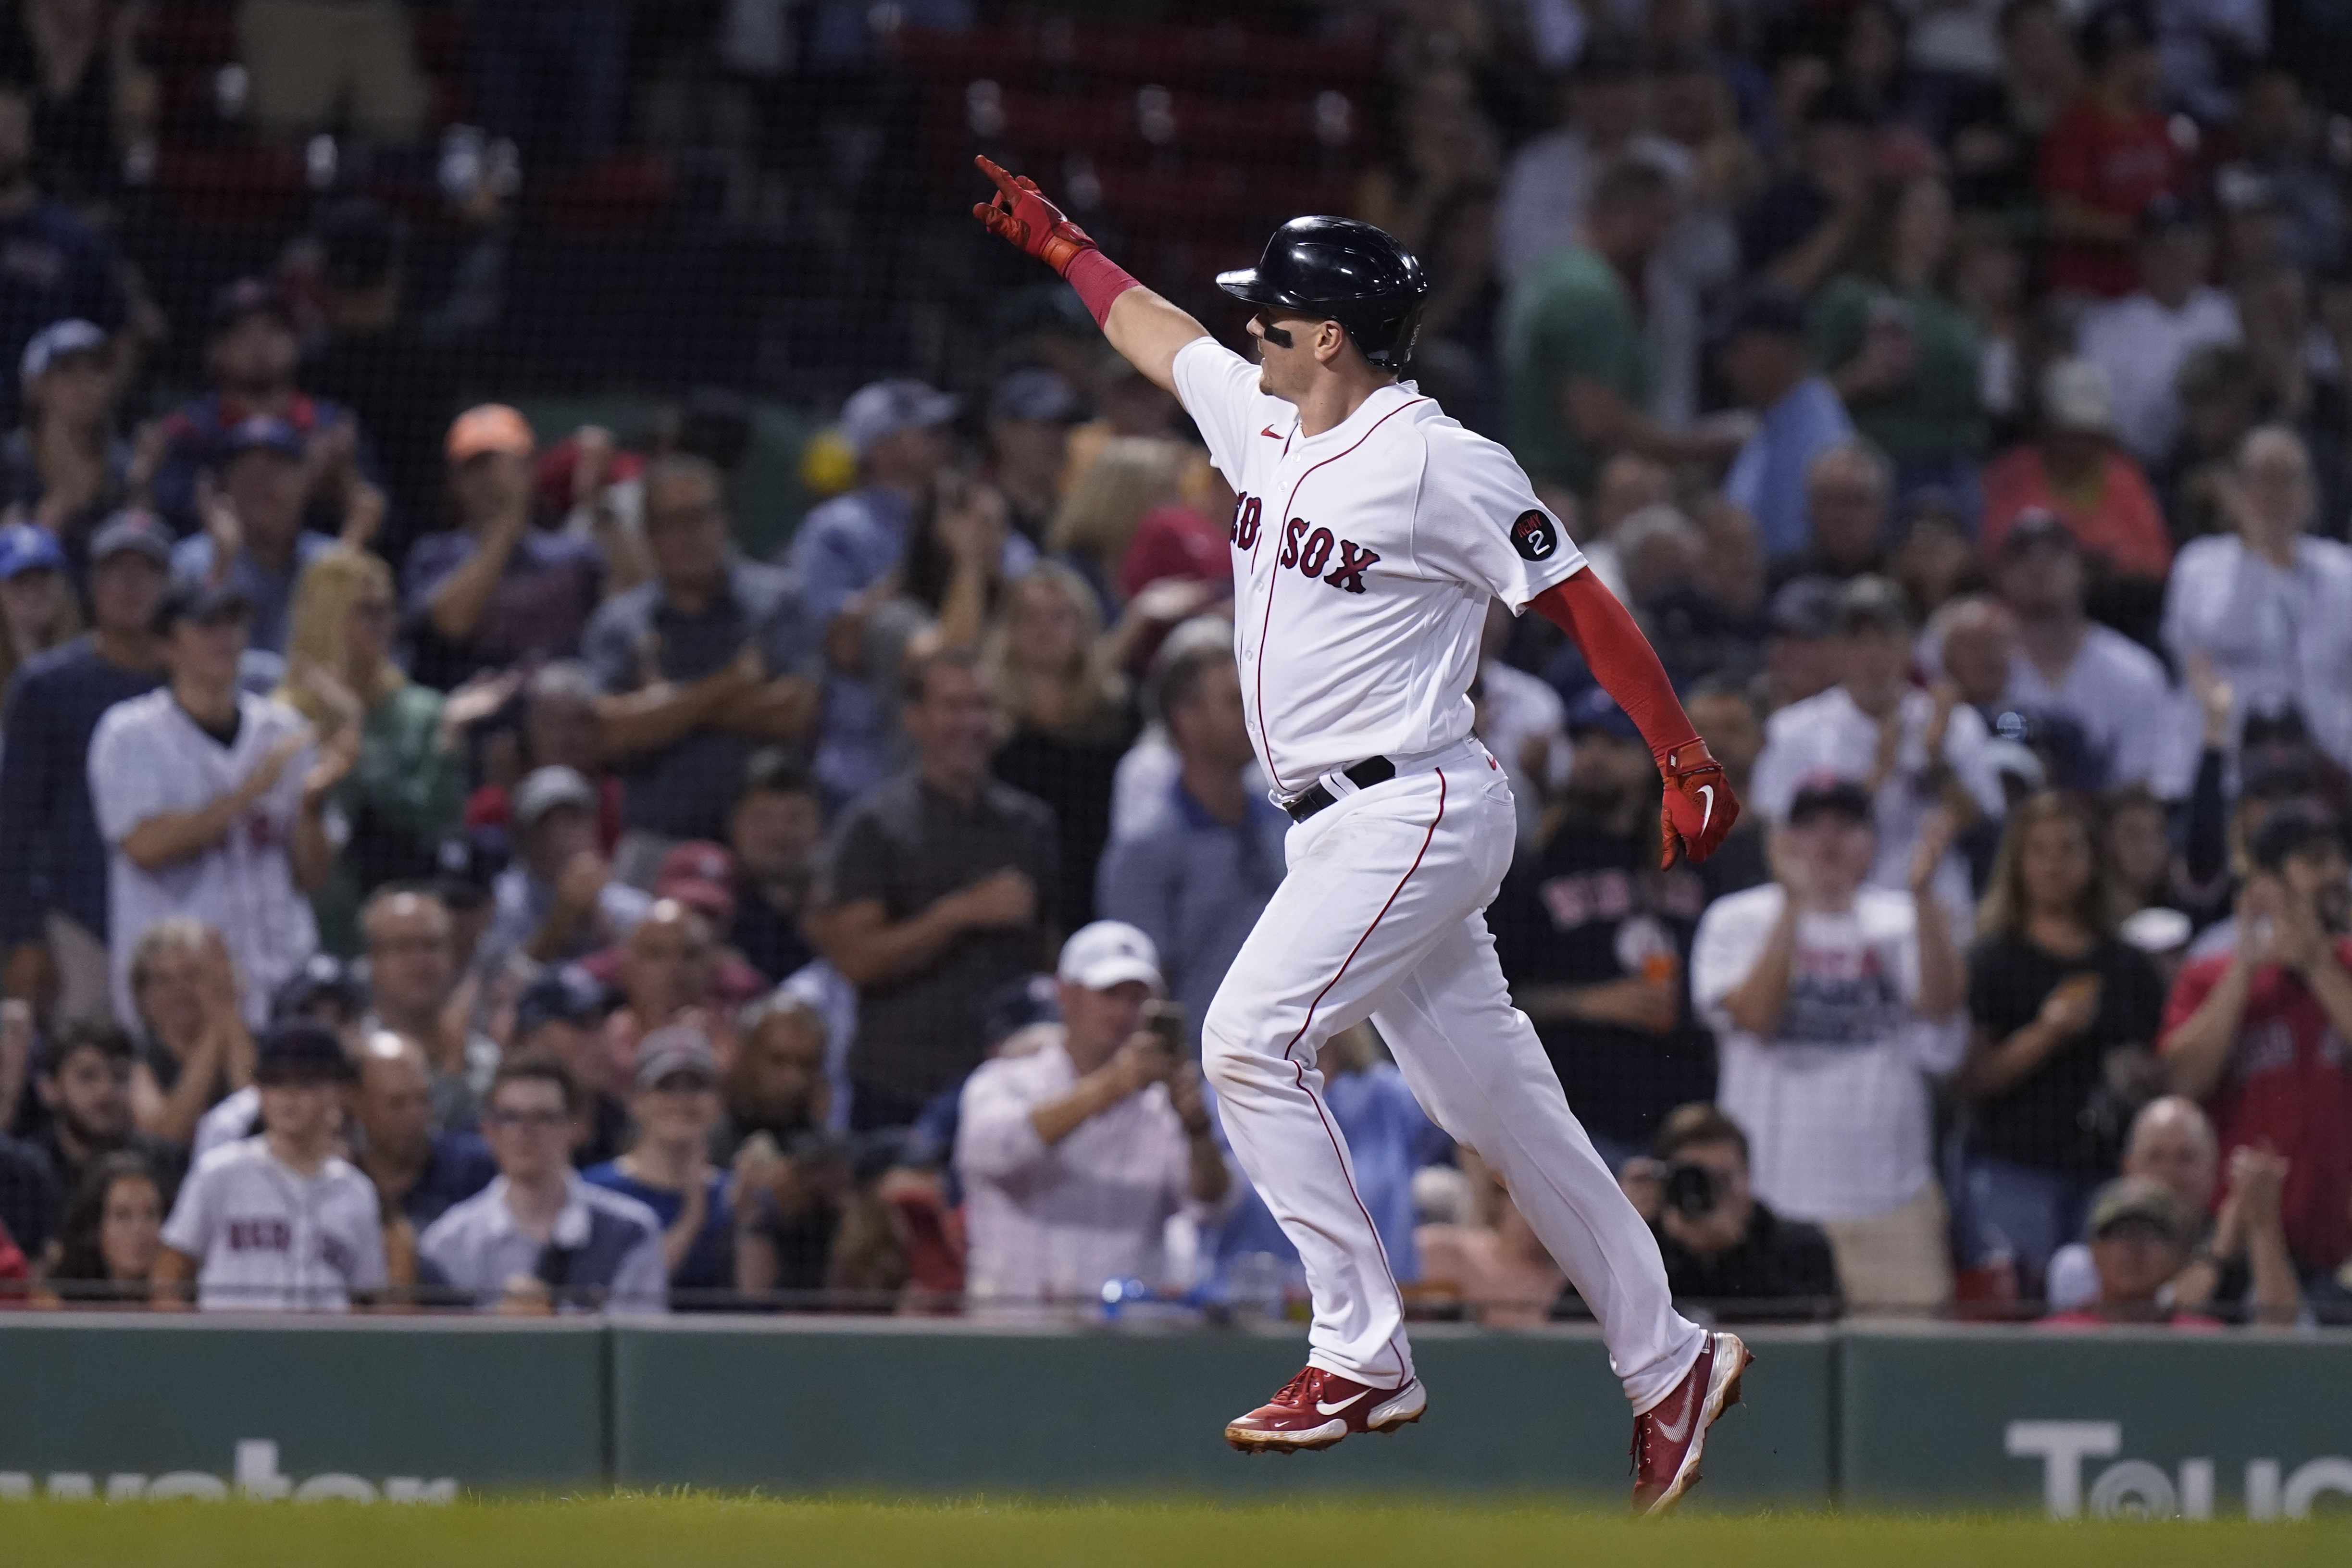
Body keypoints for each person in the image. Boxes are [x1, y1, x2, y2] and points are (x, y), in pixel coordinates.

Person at [975, 158, 1748, 1508]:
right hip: (1338, 824)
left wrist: (1677, 750)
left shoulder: (1438, 459)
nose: (1246, 330)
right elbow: (1153, 330)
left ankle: (1360, 1348)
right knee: (1495, 1108)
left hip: (1418, 798)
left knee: (1242, 1038)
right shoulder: (1262, 415)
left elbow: (1574, 598)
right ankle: (1666, 1356)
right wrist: (1064, 248)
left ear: (1324, 334)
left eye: (1266, 313)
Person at [1691, 777, 1966, 1311]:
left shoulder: (1905, 918)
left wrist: (1925, 898)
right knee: (1764, 1379)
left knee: (1911, 1375)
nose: (1828, 840)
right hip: (1767, 1202)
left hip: (1892, 1201)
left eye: (1847, 825)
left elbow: (1941, 1007)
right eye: (1810, 825)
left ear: (1873, 842)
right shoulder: (1736, 920)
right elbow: (1757, 1017)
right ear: (1783, 839)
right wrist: (1795, 906)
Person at [809, 647, 1058, 1132]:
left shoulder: (1031, 825)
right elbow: (856, 959)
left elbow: (1048, 952)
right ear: (915, 719)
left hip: (1007, 1084)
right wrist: (957, 914)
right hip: (901, 1086)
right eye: (953, 707)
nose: (970, 722)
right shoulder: (874, 826)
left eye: (982, 706)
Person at [88, 579, 348, 1029]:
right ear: (167, 647)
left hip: (283, 974)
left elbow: (312, 876)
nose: (226, 637)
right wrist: (248, 793)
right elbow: (144, 845)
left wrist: (310, 807)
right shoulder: (129, 733)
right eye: (207, 624)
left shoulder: (283, 729)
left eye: (234, 623)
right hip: (182, 993)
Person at [1494, 685, 1716, 1175]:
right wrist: (1589, 1002)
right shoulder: (1536, 864)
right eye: (1583, 744)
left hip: (1684, 1121)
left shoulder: (1690, 862)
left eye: (1613, 745)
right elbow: (1496, 998)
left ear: (1649, 760)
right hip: (1577, 1124)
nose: (1593, 758)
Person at [1951, 793, 2167, 1294]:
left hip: (2105, 1170)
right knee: (2015, 1313)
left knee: (2104, 1311)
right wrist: (2047, 1033)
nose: (2054, 864)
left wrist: (2137, 1074)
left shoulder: (2129, 965)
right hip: (2012, 1167)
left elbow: (2160, 1068)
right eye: (2040, 850)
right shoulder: (1991, 960)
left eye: (2069, 849)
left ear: (2093, 860)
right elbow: (1972, 1079)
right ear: (2019, 864)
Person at [954, 921, 1230, 1309]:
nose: (1122, 1012)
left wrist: (1198, 1130)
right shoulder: (1006, 1079)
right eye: (1109, 994)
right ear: (1065, 993)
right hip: (1017, 1329)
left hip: (1126, 1339)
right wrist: (1111, 1086)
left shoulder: (1162, 1104)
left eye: (1137, 999)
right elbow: (990, 1152)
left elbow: (1212, 1203)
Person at [584, 454, 822, 867]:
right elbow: (607, 732)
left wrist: (662, 710)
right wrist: (728, 685)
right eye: (671, 523)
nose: (688, 536)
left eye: (699, 517)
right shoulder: (622, 622)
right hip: (658, 845)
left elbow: (794, 712)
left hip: (769, 848)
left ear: (725, 520)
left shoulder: (777, 602)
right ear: (649, 535)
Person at [2158, 804, 2352, 1282]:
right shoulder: (2211, 973)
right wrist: (2245, 969)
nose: (2336, 873)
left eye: (2339, 859)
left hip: (2338, 1238)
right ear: (2267, 881)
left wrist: (2320, 969)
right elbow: (2182, 1080)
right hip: (2230, 1236)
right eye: (2315, 861)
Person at [1750, 575, 2004, 923]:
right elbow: (1782, 840)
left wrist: (1935, 760)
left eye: (1885, 637)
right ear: (1836, 649)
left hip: (1935, 916)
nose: (1872, 655)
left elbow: (1984, 832)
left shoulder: (1955, 724)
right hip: (1835, 918)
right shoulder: (1794, 730)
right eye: (1857, 640)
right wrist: (1877, 775)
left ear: (1908, 645)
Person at [0, 511, 165, 1025]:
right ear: (92, 584)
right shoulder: (47, 686)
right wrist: (21, 936)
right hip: (79, 924)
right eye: (116, 571)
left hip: (176, 920)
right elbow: (14, 824)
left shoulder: (192, 680)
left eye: (146, 572)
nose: (130, 586)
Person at [1500, 157, 1747, 501]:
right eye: (1657, 221)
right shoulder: (1588, 291)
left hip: (1529, 485)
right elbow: (1596, 421)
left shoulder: (1549, 271)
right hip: (1570, 495)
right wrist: (1695, 448)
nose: (1662, 237)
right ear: (1621, 213)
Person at [280, 547, 469, 950]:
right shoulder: (281, 719)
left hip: (403, 919)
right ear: (327, 616)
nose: (385, 624)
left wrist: (355, 737)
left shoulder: (422, 712)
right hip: (308, 921)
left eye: (388, 610)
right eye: (366, 611)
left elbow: (435, 814)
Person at [786, 377, 961, 805]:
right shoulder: (835, 529)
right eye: (926, 432)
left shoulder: (969, 514)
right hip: (864, 760)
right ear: (879, 447)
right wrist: (925, 559)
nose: (944, 442)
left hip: (962, 745)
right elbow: (839, 645)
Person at [1096, 643, 1288, 1034]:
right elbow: (1142, 992)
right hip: (1205, 1068)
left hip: (1305, 1053)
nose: (1254, 715)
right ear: (1186, 718)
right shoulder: (1145, 849)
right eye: (1236, 702)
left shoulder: (1284, 823)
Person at [153, 1020, 384, 1311]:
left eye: (305, 1083)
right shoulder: (219, 1173)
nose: (288, 1096)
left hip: (321, 1353)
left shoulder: (357, 1192)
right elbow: (168, 1279)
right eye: (275, 1081)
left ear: (338, 1092)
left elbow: (367, 1301)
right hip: (233, 1350)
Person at [2162, 426, 2352, 773]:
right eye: (2263, 479)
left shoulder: (2341, 570)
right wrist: (2257, 549)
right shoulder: (2200, 566)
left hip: (2330, 766)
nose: (2274, 495)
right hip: (2228, 766)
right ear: (2234, 489)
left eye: (2287, 479)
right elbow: (2202, 659)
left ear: (2309, 490)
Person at [416, 1056, 668, 1313]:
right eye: (510, 1118)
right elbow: (444, 1350)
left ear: (577, 1128)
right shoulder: (448, 1243)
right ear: (488, 1130)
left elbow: (639, 1345)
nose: (525, 1132)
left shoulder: (631, 1233)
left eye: (544, 1117)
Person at [1810, 174, 1989, 510]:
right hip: (1882, 460)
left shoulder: (1959, 308)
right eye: (1923, 212)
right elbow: (1808, 397)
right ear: (1891, 221)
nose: (1936, 225)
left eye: (1943, 214)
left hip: (1954, 466)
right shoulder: (1851, 297)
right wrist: (1858, 378)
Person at [147, 278, 372, 543]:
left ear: (297, 343)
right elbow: (169, 521)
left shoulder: (331, 427)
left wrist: (338, 482)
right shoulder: (189, 430)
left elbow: (378, 519)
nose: (259, 342)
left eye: (274, 330)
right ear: (215, 352)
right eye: (242, 333)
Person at [402, 405, 606, 689]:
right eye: (475, 467)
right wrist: (508, 524)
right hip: (471, 710)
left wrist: (600, 505)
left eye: (504, 464)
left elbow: (640, 605)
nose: (490, 478)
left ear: (531, 470)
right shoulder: (434, 553)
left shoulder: (573, 552)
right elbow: (451, 623)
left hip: (561, 711)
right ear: (454, 483)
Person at [2045, 1095, 2300, 1320]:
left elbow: (2288, 1343)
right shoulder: (2084, 1262)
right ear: (2128, 1168)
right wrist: (2218, 1252)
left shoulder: (2244, 1253)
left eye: (2186, 1158)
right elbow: (2160, 1328)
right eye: (2156, 1157)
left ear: (2214, 1171)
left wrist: (2263, 1224)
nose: (2170, 1174)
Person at [984, 563, 1141, 931]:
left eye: (1059, 616)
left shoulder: (1119, 713)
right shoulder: (986, 723)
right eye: (1029, 617)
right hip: (1015, 896)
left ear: (1083, 627)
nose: (1044, 629)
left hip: (1103, 883)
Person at [1990, 511, 2189, 796]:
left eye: (2055, 553)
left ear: (2083, 569)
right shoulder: (1983, 668)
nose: (2039, 565)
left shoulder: (2134, 672)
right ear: (2002, 576)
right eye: (2023, 556)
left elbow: (2152, 782)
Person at [1628, 1103, 1841, 1320]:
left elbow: (1805, 1331)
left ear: (1748, 1177)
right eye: (1697, 1180)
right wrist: (1620, 1227)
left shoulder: (1802, 1246)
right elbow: (1603, 1323)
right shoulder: (1647, 1246)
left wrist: (1734, 1249)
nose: (1711, 1192)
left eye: (1724, 1178)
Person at [1980, 360, 2173, 599]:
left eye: (2089, 436)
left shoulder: (2125, 476)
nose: (2080, 448)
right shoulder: (2012, 473)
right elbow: (1994, 557)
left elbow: (2156, 562)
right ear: (2046, 431)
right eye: (2070, 435)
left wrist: (2104, 568)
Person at [2035, 2, 2187, 299]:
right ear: (2123, 58)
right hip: (2091, 293)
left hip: (2151, 296)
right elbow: (2062, 218)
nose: (2157, 61)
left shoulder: (2158, 125)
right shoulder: (2075, 127)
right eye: (2148, 50)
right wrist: (2141, 234)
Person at [2078, 197, 2241, 466]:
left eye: (2186, 247)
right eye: (2161, 249)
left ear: (2207, 252)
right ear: (2139, 255)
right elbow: (2091, 417)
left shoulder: (2231, 314)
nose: (2175, 260)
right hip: (2133, 468)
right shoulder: (2105, 326)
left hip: (2222, 462)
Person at [0, 82, 124, 430]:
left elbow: (120, 331)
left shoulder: (72, 239)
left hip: (42, 428)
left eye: (9, 128)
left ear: (29, 140)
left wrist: (90, 401)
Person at [583, 1026, 735, 1307]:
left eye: (696, 1086)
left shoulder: (734, 1193)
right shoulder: (596, 1192)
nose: (682, 1100)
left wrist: (753, 1223)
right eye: (666, 1086)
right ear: (637, 1100)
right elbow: (619, 1296)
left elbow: (757, 1301)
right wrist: (692, 1216)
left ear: (718, 1102)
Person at [170, 414, 347, 658]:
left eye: (274, 472)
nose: (261, 485)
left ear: (305, 483)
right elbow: (175, 657)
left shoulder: (331, 560)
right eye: (247, 473)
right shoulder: (189, 561)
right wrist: (223, 561)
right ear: (224, 488)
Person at [1718, 288, 1857, 560]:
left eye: (1739, 348)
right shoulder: (1773, 422)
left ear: (1779, 348)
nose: (1727, 362)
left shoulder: (1819, 439)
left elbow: (1791, 550)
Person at [483, 766, 654, 972]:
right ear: (521, 839)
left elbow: (647, 983)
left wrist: (596, 913)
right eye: (545, 825)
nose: (559, 836)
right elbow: (498, 987)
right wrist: (564, 915)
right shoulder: (500, 904)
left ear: (594, 828)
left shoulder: (633, 907)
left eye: (573, 820)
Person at [360, 887, 495, 1133]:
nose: (419, 961)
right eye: (403, 947)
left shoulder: (483, 1059)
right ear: (373, 961)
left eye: (431, 946)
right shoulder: (356, 1053)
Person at [26, 1021, 180, 1228]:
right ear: (50, 1088)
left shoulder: (168, 1164)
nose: (105, 1091)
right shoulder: (25, 1173)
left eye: (119, 1076)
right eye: (87, 1076)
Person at [2, 318, 130, 561]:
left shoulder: (124, 466)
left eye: (97, 369)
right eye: (68, 369)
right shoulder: (8, 461)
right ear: (36, 384)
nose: (86, 381)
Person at [349, 1031, 495, 1231]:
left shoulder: (475, 1171)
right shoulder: (340, 1184)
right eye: (398, 1104)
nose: (415, 1115)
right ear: (358, 1106)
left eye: (423, 1099)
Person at [2038, 1176, 2222, 1328]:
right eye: (2119, 1233)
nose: (2133, 1246)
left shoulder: (2205, 1341)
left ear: (2175, 1254)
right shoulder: (2054, 1339)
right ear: (2095, 1251)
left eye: (2150, 1233)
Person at [725, 749, 822, 985]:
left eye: (795, 818)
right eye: (762, 818)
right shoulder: (717, 908)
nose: (778, 833)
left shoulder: (841, 906)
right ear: (733, 826)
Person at [36, 1149, 167, 1307]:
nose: (139, 1230)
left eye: (151, 1214)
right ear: (94, 1225)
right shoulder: (54, 1303)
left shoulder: (181, 1303)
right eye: (122, 1215)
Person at [1767, 444, 1896, 588]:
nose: (1841, 516)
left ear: (1882, 510)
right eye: (1828, 501)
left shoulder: (1901, 577)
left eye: (1856, 502)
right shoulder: (1779, 582)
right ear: (1809, 510)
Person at [985, 366, 1084, 546]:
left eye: (1064, 426)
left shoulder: (1078, 516)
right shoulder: (979, 513)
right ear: (1005, 432)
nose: (1058, 439)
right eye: (1045, 426)